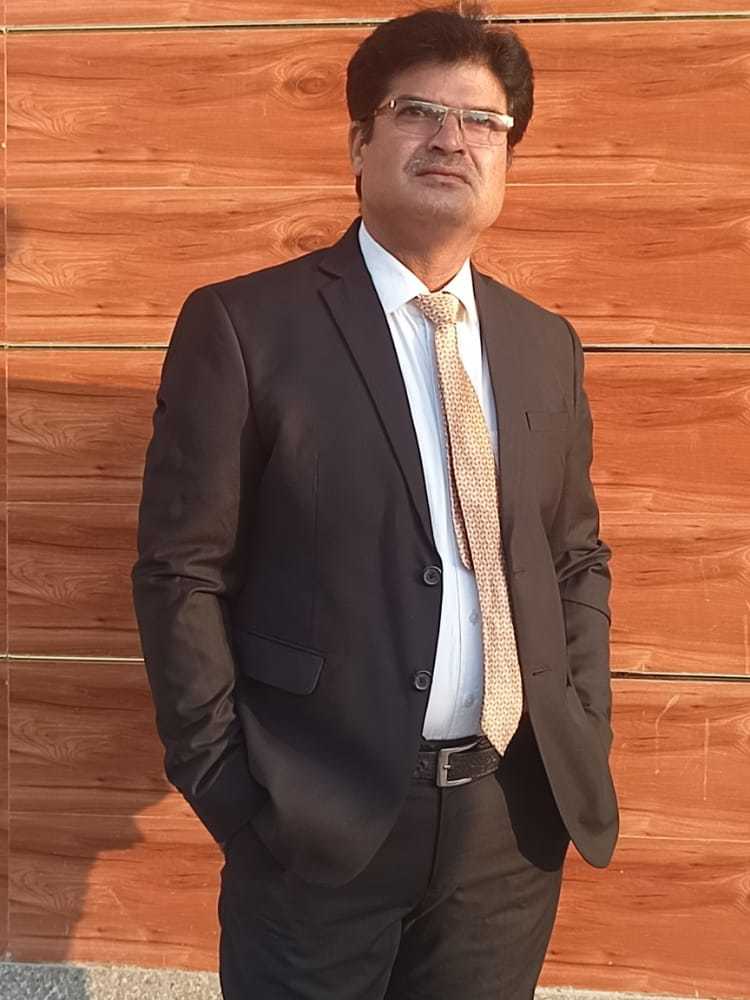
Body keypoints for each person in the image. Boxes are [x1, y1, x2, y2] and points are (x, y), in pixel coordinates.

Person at [132, 6, 618, 998]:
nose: (451, 139)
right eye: (417, 112)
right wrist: (230, 786)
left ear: (507, 158)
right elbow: (181, 571)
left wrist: (581, 722)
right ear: (359, 144)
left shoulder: (544, 344)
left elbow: (573, 556)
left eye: (483, 122)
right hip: (316, 823)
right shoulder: (245, 327)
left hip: (508, 824)